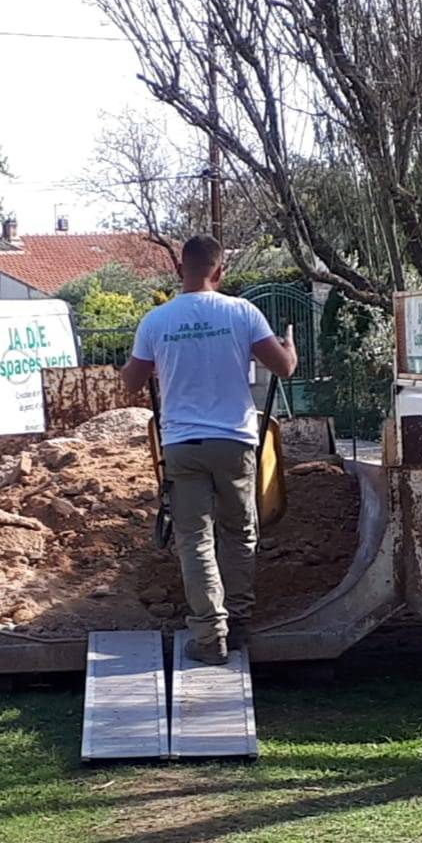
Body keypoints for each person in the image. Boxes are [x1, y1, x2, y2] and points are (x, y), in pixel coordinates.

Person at [120, 234, 298, 663]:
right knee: (239, 533)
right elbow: (284, 367)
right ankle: (237, 621)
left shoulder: (156, 321)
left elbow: (131, 381)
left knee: (194, 539)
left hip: (182, 444)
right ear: (220, 272)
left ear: (180, 270)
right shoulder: (242, 313)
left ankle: (209, 635)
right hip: (235, 440)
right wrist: (289, 346)